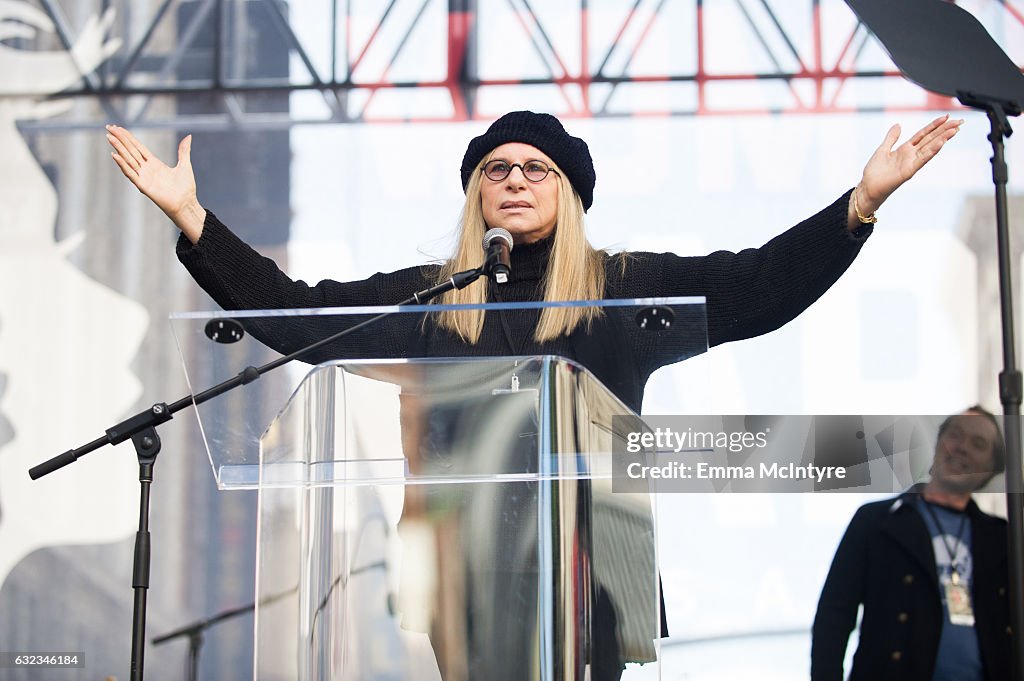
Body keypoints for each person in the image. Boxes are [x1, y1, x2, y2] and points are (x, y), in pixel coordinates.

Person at [106, 111, 961, 679]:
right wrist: (196, 222)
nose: (513, 180)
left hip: (597, 570)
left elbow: (757, 287)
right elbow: (303, 320)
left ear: (572, 192)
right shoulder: (435, 300)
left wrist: (858, 206)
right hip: (468, 573)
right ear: (477, 192)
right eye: (496, 168)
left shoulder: (623, 293)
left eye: (536, 168)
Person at [811, 407, 1011, 681]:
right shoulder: (877, 522)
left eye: (978, 444)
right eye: (956, 435)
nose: (962, 447)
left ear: (990, 467)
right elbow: (834, 614)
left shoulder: (1003, 540)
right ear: (939, 442)